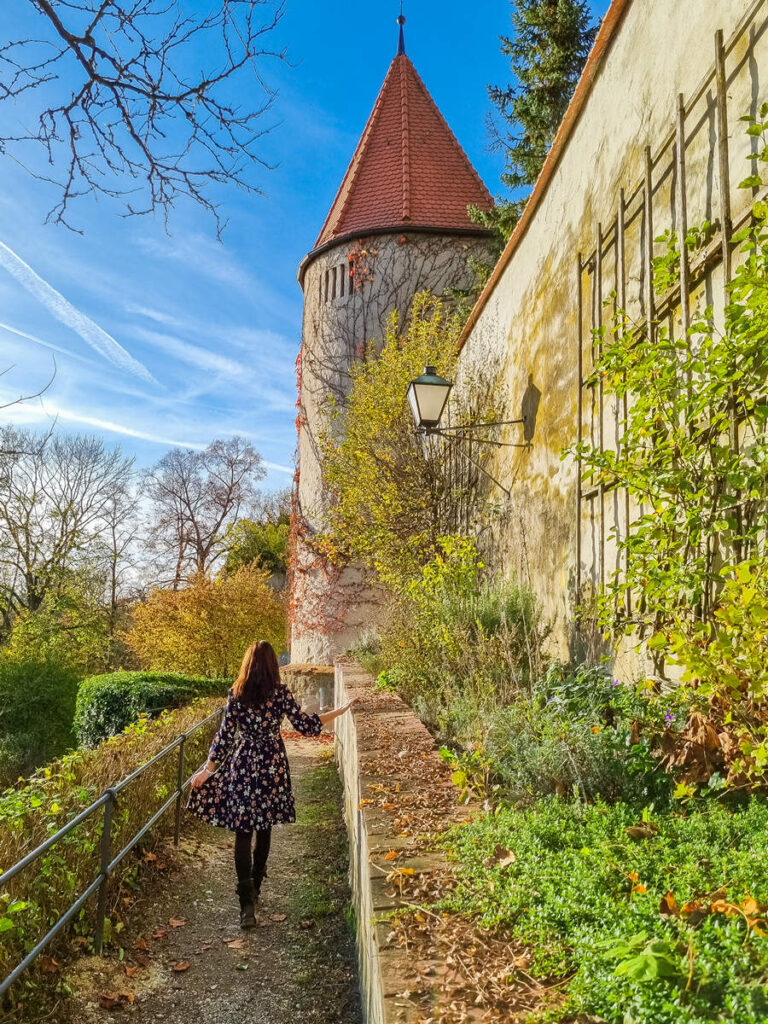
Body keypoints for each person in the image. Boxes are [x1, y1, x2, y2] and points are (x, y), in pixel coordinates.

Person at [187, 641, 356, 928]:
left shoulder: (236, 694)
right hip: (271, 765)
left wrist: (207, 770)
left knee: (242, 832)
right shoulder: (280, 694)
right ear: (272, 666)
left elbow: (224, 737)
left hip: (243, 765)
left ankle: (246, 906)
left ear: (247, 664)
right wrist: (339, 712)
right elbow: (304, 725)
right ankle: (257, 885)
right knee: (263, 827)